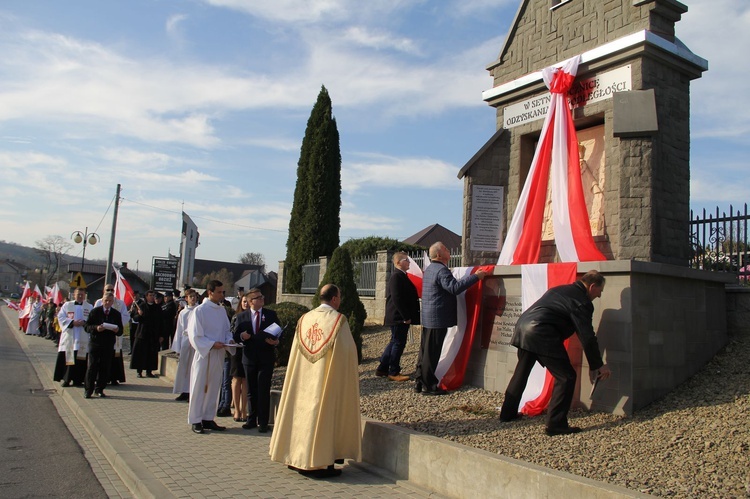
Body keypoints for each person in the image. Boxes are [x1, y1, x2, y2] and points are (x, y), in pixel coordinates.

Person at [499, 270, 612, 436]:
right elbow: (587, 336)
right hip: (541, 333)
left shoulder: (560, 289)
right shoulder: (581, 301)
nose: (599, 295)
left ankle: (507, 414)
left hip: (523, 328)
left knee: (521, 373)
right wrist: (598, 365)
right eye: (599, 291)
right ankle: (556, 424)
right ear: (592, 286)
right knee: (566, 377)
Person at [270, 284, 360, 479]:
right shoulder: (338, 321)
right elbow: (347, 353)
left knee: (299, 413)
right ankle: (318, 463)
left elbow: (295, 350)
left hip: (302, 378)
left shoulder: (304, 319)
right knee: (322, 414)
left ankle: (295, 457)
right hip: (324, 378)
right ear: (335, 299)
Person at [417, 242, 487, 395]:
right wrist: (476, 276)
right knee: (432, 352)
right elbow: (454, 288)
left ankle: (419, 380)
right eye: (446, 249)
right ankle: (429, 386)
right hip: (438, 317)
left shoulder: (430, 268)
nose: (449, 251)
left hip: (429, 316)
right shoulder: (441, 270)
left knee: (425, 350)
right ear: (439, 255)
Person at [186, 280, 236, 434]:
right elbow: (194, 335)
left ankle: (208, 417)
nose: (222, 294)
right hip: (204, 353)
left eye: (223, 292)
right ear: (210, 292)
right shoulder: (199, 311)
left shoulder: (221, 311)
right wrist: (212, 344)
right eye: (219, 292)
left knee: (214, 386)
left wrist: (230, 341)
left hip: (218, 353)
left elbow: (227, 331)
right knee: (199, 386)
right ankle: (195, 419)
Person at [233, 288, 280, 432]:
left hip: (266, 357)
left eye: (262, 297)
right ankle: (251, 419)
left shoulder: (271, 314)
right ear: (250, 301)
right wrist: (242, 337)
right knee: (251, 390)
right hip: (249, 357)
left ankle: (264, 422)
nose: (262, 299)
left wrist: (276, 341)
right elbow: (235, 335)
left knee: (263, 389)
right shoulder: (242, 317)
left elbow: (279, 331)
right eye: (258, 297)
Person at [376, 252, 420, 382]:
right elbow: (397, 298)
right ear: (398, 262)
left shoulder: (401, 276)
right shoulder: (396, 276)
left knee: (394, 341)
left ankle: (382, 368)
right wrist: (405, 316)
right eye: (406, 260)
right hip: (398, 317)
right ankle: (394, 371)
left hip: (398, 316)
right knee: (398, 343)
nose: (409, 262)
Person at [84, 293, 123, 398]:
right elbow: (87, 327)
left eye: (110, 301)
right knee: (92, 367)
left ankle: (100, 389)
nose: (107, 303)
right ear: (102, 301)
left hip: (108, 344)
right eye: (106, 300)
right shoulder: (95, 312)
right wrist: (96, 328)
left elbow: (121, 330)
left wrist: (117, 330)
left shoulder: (116, 314)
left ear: (112, 302)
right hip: (95, 343)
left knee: (104, 367)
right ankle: (88, 390)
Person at [54, 287, 93, 387]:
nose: (80, 296)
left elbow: (92, 320)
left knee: (81, 359)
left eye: (82, 294)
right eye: (78, 294)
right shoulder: (67, 305)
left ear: (85, 295)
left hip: (82, 336)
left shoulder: (89, 307)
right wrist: (72, 322)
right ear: (74, 295)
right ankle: (66, 379)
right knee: (68, 358)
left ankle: (78, 380)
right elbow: (61, 317)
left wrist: (84, 323)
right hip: (70, 335)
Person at [94, 284, 130, 386]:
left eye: (111, 289)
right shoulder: (98, 302)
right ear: (103, 291)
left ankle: (114, 377)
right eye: (107, 289)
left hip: (115, 333)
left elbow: (125, 316)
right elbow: (95, 315)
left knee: (115, 355)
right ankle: (101, 378)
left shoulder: (120, 303)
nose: (110, 291)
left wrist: (116, 325)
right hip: (102, 332)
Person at [172, 288, 198, 401]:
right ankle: (184, 390)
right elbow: (179, 329)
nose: (193, 298)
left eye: (194, 296)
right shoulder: (183, 312)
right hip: (186, 340)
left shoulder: (199, 310)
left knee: (194, 367)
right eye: (190, 296)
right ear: (186, 299)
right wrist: (177, 346)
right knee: (184, 367)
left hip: (196, 341)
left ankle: (193, 391)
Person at [129, 290, 163, 378]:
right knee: (140, 354)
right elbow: (135, 318)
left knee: (151, 354)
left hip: (153, 335)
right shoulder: (142, 306)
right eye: (150, 295)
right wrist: (139, 315)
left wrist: (161, 335)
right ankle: (139, 371)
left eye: (153, 295)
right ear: (146, 296)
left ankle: (149, 371)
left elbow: (161, 322)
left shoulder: (157, 308)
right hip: (142, 334)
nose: (152, 297)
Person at [228, 293, 250, 423]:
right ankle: (236, 409)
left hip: (248, 351)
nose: (246, 304)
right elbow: (231, 333)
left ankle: (244, 410)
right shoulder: (236, 317)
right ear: (240, 303)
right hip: (237, 351)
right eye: (244, 302)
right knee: (236, 380)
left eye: (248, 301)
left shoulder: (253, 317)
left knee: (246, 381)